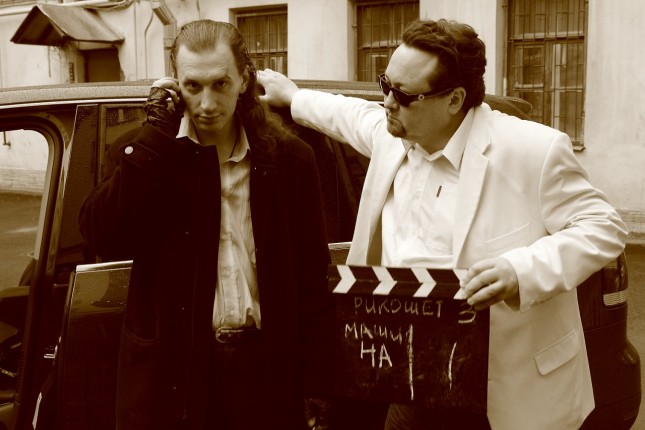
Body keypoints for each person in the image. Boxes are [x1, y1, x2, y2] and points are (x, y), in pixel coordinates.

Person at [257, 18, 627, 430]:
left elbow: (603, 226)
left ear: (454, 99)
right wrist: (293, 96)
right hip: (412, 382)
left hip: (504, 395)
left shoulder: (533, 149)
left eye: (403, 95)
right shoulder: (393, 135)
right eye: (385, 85)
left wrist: (520, 270)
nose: (387, 103)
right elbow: (348, 114)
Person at [79, 19, 334, 430]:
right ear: (175, 85)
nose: (207, 103)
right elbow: (101, 237)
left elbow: (313, 277)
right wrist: (155, 135)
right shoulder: (147, 155)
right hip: (177, 379)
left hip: (265, 372)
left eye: (220, 84)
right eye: (193, 86)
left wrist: (318, 380)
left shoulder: (288, 160)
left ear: (244, 80)